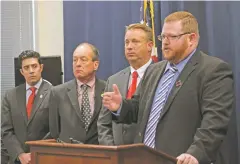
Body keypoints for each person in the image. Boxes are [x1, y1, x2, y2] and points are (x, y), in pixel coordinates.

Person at [102, 11, 234, 164]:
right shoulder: (154, 70)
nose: (165, 42)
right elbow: (139, 109)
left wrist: (195, 154)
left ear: (191, 39)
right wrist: (120, 106)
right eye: (163, 37)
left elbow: (214, 122)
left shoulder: (213, 70)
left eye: (172, 37)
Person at [98, 23, 153, 145]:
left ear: (149, 46)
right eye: (126, 42)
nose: (129, 47)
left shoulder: (159, 76)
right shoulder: (113, 80)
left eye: (135, 42)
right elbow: (104, 123)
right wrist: (112, 151)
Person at [1, 50, 52, 164]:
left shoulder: (54, 93)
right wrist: (20, 154)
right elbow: (6, 130)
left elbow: (55, 129)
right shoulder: (10, 96)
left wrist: (36, 152)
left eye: (34, 66)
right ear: (21, 71)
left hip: (44, 158)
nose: (31, 71)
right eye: (26, 68)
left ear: (41, 67)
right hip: (17, 159)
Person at [49, 43, 106, 144]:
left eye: (83, 60)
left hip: (99, 154)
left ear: (95, 65)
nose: (78, 64)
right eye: (75, 60)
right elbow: (55, 132)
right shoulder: (57, 93)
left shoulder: (107, 89)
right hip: (69, 155)